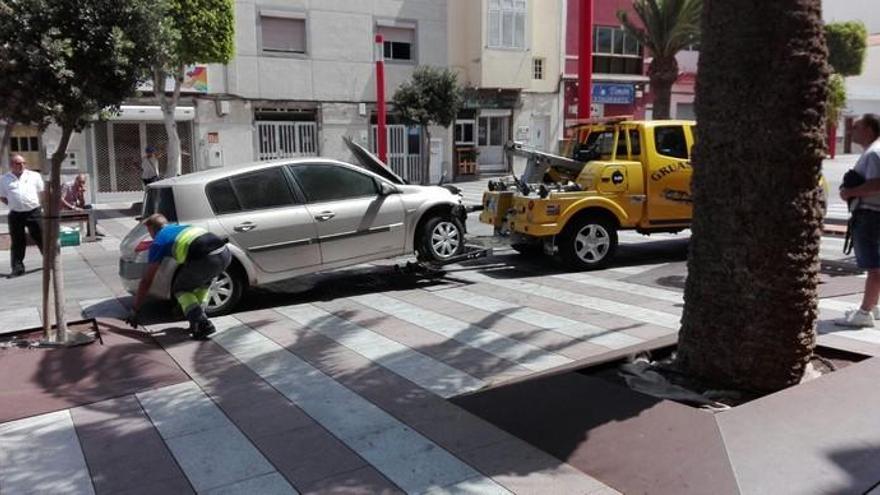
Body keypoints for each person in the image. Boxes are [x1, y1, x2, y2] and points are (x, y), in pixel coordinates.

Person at [126, 213, 230, 340]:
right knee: (202, 284)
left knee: (180, 289)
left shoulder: (158, 242)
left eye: (149, 231)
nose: (151, 236)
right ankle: (196, 321)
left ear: (152, 229)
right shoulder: (180, 228)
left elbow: (147, 280)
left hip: (206, 259)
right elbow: (174, 241)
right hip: (224, 254)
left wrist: (135, 309)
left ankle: (203, 324)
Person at [837, 113, 880, 327]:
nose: (851, 130)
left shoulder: (874, 153)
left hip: (871, 215)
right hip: (873, 214)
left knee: (873, 265)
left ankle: (864, 313)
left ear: (869, 130)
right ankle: (873, 304)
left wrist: (849, 192)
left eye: (857, 127)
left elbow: (877, 184)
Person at [0, 154, 44, 277]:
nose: (22, 166)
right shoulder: (4, 179)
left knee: (41, 237)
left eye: (24, 163)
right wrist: (15, 204)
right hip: (16, 214)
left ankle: (50, 261)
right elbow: (2, 197)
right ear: (12, 165)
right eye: (18, 163)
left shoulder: (34, 176)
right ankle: (17, 268)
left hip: (33, 211)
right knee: (17, 242)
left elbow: (42, 192)